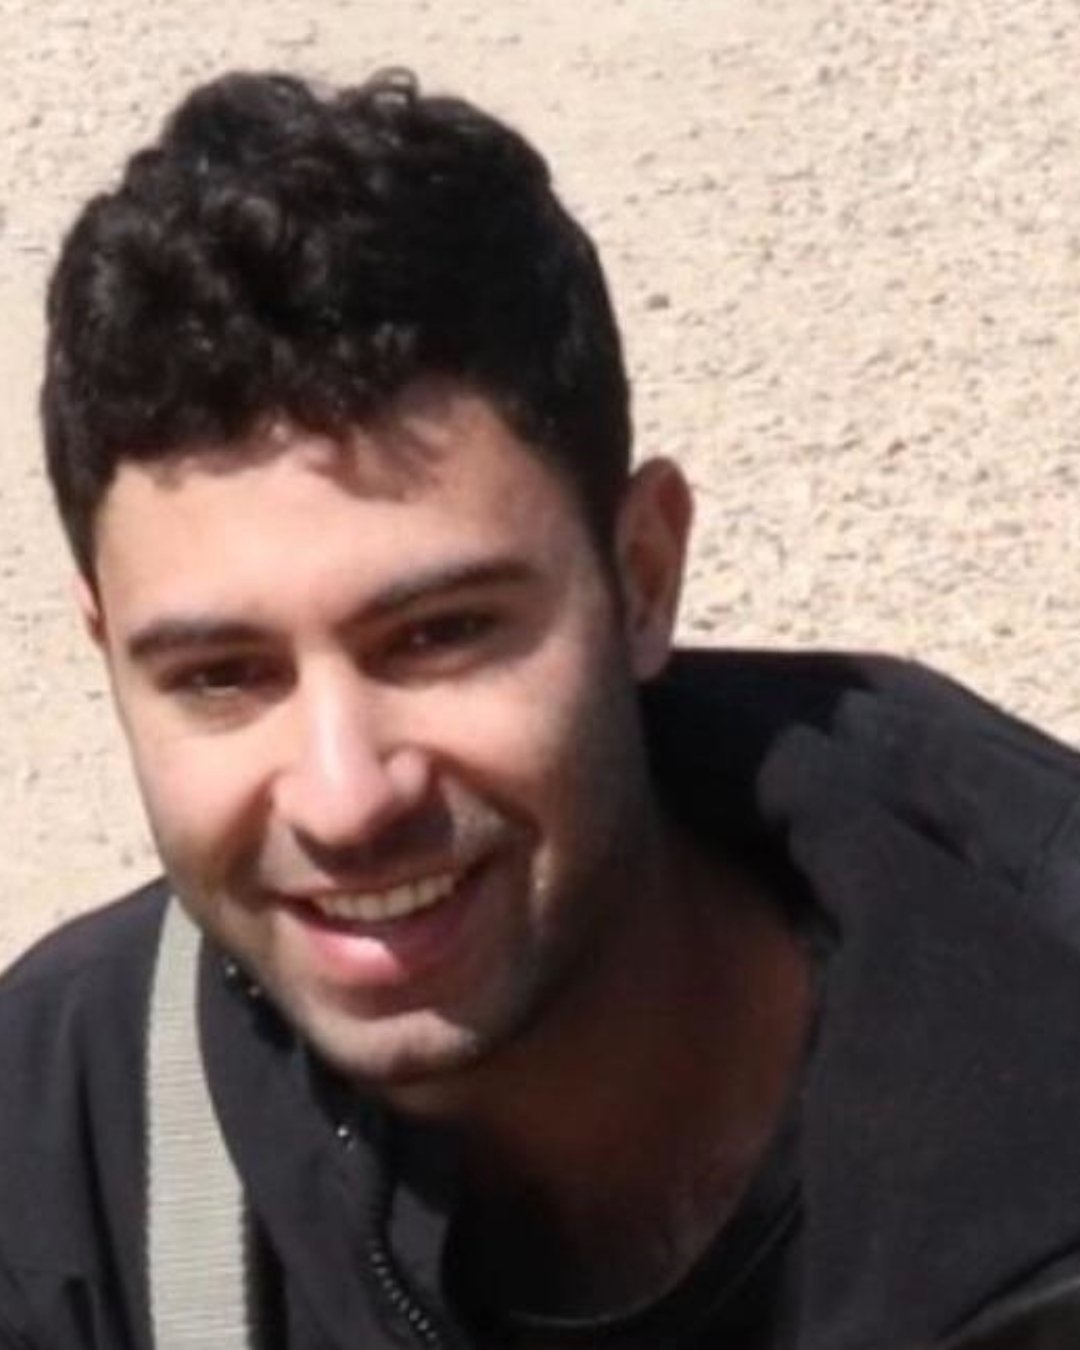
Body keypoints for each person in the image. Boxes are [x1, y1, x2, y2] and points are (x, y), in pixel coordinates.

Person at [4, 67, 1080, 1350]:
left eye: (439, 636)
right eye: (222, 676)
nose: (346, 797)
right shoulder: (68, 1159)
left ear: (643, 576)